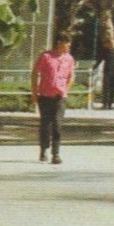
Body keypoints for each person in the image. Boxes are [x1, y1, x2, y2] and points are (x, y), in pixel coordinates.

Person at [32, 35, 76, 164]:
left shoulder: (69, 59)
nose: (68, 48)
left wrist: (65, 89)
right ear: (59, 43)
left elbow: (71, 76)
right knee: (45, 124)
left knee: (57, 124)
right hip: (45, 95)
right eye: (66, 45)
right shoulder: (46, 56)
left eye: (69, 45)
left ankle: (56, 153)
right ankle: (44, 149)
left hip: (60, 97)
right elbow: (35, 73)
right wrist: (34, 92)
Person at [91, 33, 114, 110]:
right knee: (106, 88)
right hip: (107, 71)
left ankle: (110, 104)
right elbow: (99, 60)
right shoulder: (105, 51)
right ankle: (105, 104)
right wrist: (94, 67)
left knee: (112, 88)